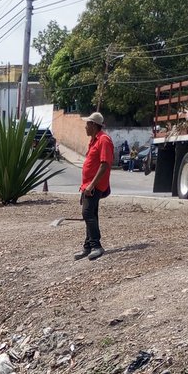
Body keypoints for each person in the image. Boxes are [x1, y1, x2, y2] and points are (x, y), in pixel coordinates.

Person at [77, 111, 114, 262]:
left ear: (93, 125)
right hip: (88, 185)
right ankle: (88, 246)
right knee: (91, 213)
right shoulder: (94, 140)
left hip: (95, 185)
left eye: (87, 124)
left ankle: (96, 246)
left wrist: (92, 185)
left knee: (87, 213)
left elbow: (105, 164)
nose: (85, 127)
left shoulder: (104, 140)